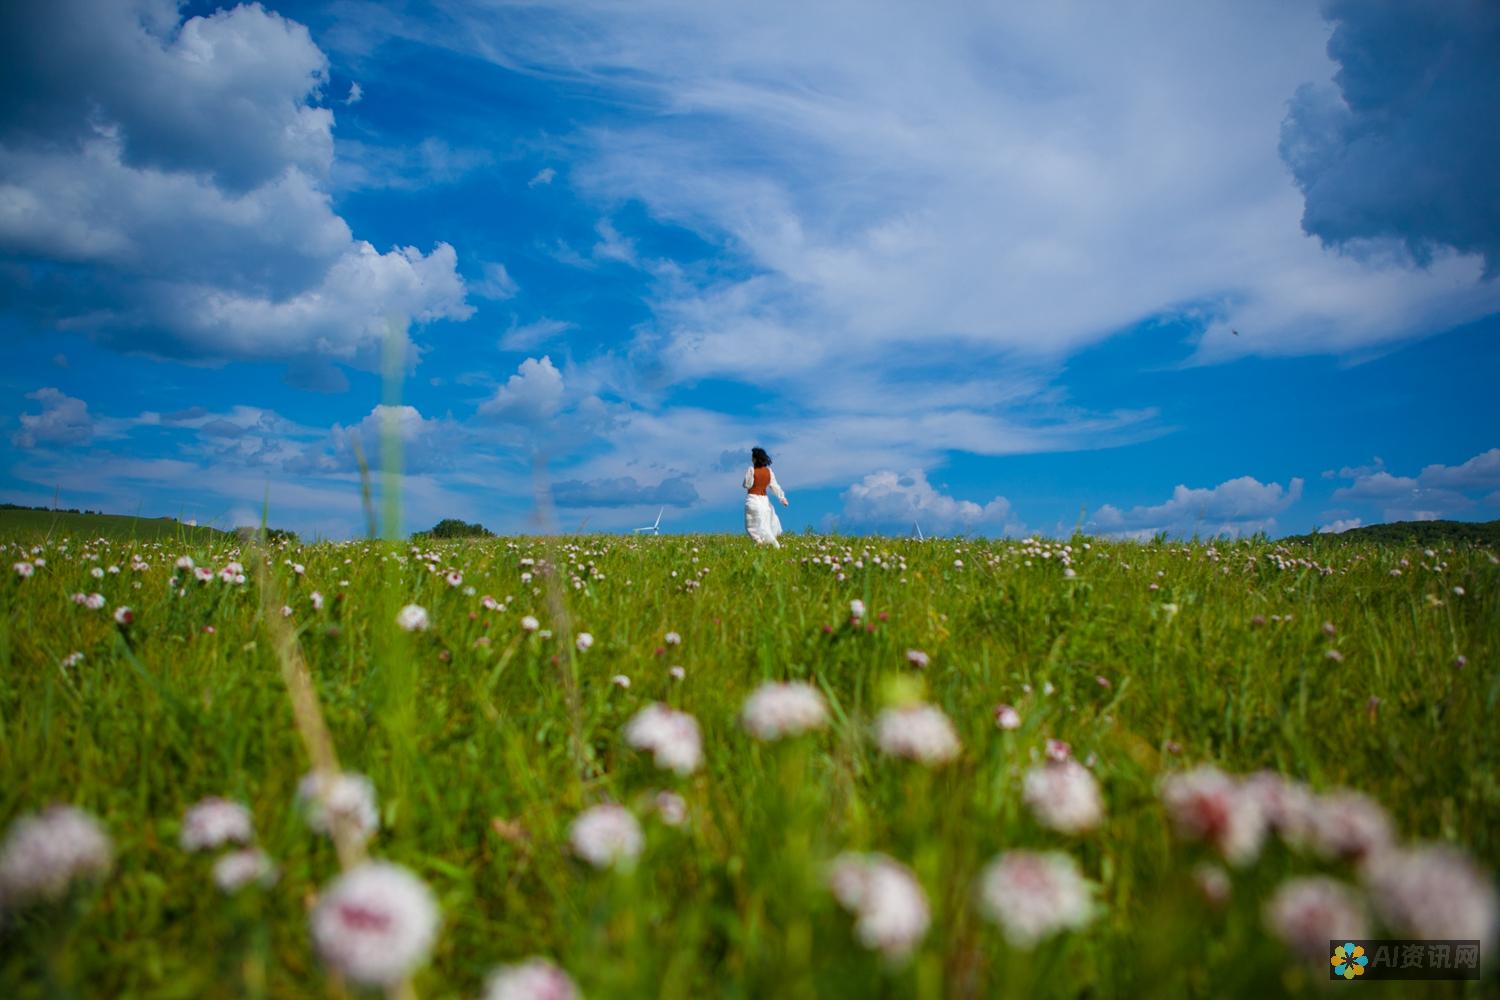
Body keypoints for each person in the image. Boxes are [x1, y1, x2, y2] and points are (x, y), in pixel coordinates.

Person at [743, 446, 788, 547]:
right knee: (764, 525)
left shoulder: (751, 470)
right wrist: (782, 498)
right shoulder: (769, 472)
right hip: (764, 502)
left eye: (752, 457)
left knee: (751, 526)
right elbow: (774, 486)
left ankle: (759, 544)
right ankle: (765, 544)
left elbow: (747, 485)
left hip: (753, 500)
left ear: (755, 458)